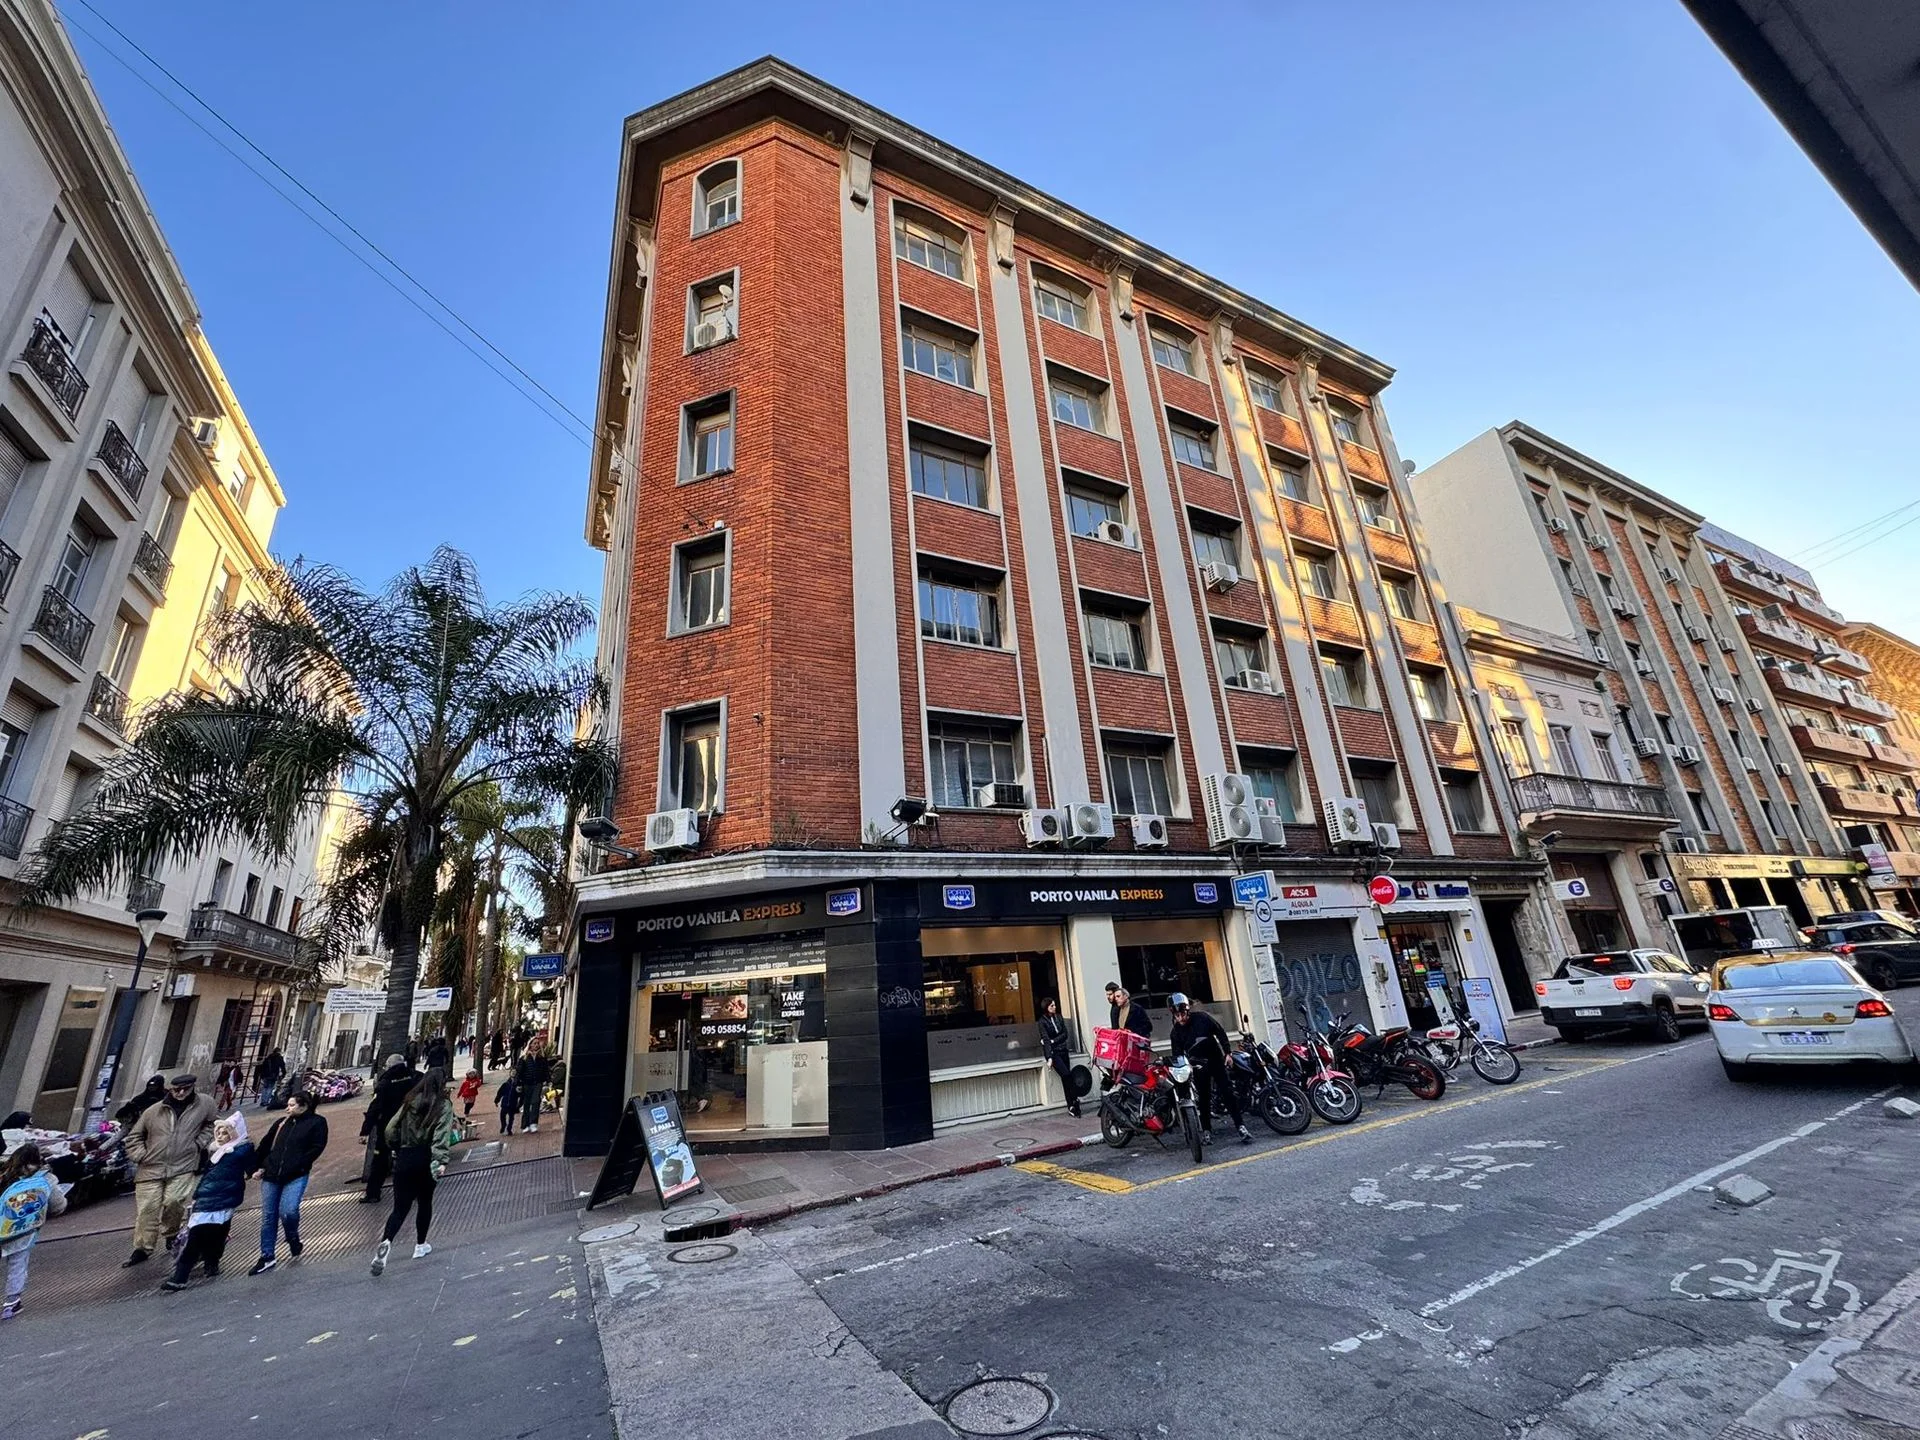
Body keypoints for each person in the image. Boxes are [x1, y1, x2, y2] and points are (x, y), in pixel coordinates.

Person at [121, 1073, 216, 1267]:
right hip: (150, 1167)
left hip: (183, 1164)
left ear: (192, 1088)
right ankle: (142, 1247)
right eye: (176, 1090)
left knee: (175, 1201)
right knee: (147, 1209)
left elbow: (212, 1123)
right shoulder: (154, 1111)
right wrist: (141, 1155)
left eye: (185, 1089)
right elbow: (134, 1136)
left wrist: (198, 1144)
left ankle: (171, 1234)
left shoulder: (205, 1104)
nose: (180, 1093)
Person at [371, 1070, 453, 1276]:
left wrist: (396, 1146)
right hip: (426, 1157)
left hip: (405, 1156)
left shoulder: (409, 1101)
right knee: (425, 1202)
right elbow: (441, 1134)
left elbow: (390, 1128)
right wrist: (440, 1160)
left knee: (399, 1208)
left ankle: (386, 1242)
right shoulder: (443, 1105)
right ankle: (420, 1245)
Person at [161, 1113, 252, 1290]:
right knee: (201, 1234)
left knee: (212, 1233)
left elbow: (250, 1167)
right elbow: (206, 1176)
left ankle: (192, 1271)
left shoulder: (241, 1150)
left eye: (224, 1133)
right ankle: (189, 1272)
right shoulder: (216, 1151)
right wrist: (197, 1195)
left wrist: (255, 1171)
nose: (220, 1136)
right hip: (209, 1198)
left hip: (223, 1198)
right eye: (218, 1133)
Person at [248, 1091, 328, 1274]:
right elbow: (265, 1145)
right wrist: (256, 1167)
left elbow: (316, 1148)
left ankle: (292, 1237)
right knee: (269, 1216)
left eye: (292, 1105)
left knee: (289, 1211)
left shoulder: (317, 1123)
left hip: (295, 1175)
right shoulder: (281, 1123)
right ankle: (267, 1255)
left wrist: (299, 1165)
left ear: (303, 1106)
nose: (287, 1108)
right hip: (271, 1175)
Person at [1167, 993, 1250, 1145]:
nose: (1181, 1018)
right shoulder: (1175, 1033)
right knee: (1204, 1098)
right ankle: (1206, 1130)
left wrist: (1227, 1053)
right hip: (1197, 1066)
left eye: (1183, 1014)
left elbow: (1220, 1032)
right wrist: (1185, 1066)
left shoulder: (1202, 1018)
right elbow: (1177, 1055)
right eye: (1177, 1016)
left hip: (1215, 1060)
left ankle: (1241, 1126)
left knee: (1227, 1092)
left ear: (1187, 1010)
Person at [1, 1143, 65, 1320]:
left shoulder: (7, 1177)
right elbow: (58, 1206)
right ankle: (11, 1303)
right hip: (23, 1230)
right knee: (17, 1263)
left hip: (1, 1225)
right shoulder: (46, 1178)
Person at [360, 1054, 420, 1204]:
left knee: (379, 1160)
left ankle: (373, 1193)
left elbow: (375, 1107)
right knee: (407, 1157)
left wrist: (365, 1130)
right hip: (410, 1125)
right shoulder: (415, 1076)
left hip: (387, 1126)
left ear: (389, 1066)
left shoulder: (385, 1082)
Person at [1038, 999, 1080, 1119]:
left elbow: (1065, 1034)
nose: (1054, 1007)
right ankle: (1074, 1100)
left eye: (1054, 1005)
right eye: (1052, 1005)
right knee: (1066, 1074)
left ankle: (1071, 1105)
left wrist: (1053, 1041)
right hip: (1054, 1053)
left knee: (1066, 1078)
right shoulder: (1042, 1022)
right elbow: (1045, 1039)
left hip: (1063, 1050)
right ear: (1046, 1007)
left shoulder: (1059, 1017)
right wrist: (1049, 1057)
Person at [515, 1042, 551, 1133]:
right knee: (526, 1103)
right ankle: (525, 1124)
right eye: (534, 1043)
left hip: (538, 1082)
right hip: (527, 1083)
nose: (536, 1045)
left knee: (536, 1102)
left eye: (538, 1043)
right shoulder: (524, 1058)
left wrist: (548, 1080)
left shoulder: (542, 1058)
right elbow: (519, 1071)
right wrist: (517, 1083)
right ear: (530, 1045)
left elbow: (546, 1070)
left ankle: (533, 1123)